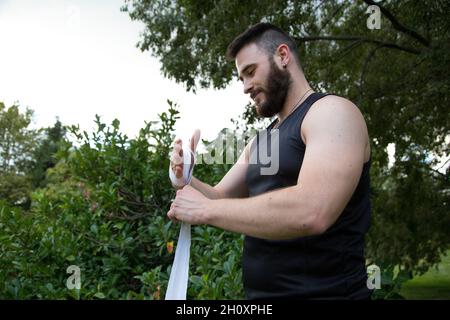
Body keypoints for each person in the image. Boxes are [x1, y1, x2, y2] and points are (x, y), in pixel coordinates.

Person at [168, 23, 372, 299]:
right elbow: (218, 198)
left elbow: (313, 211)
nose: (245, 87)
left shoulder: (332, 113)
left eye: (250, 72)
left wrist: (204, 210)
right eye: (241, 78)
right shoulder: (261, 142)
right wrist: (185, 180)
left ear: (283, 56)